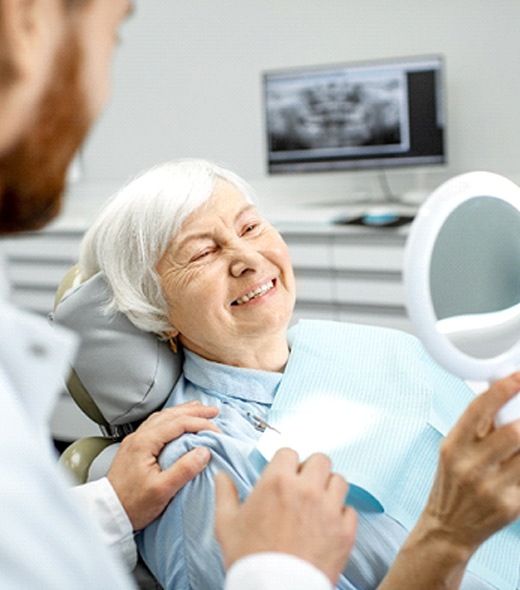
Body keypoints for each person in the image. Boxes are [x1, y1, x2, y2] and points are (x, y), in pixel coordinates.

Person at [77, 158, 520, 590]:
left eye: (250, 227)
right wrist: (448, 536)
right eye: (202, 252)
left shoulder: (374, 344)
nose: (247, 257)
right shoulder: (201, 467)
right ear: (156, 311)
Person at [0, 1, 219, 587]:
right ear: (27, 23)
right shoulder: (209, 464)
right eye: (113, 35)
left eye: (250, 227)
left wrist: (113, 506)